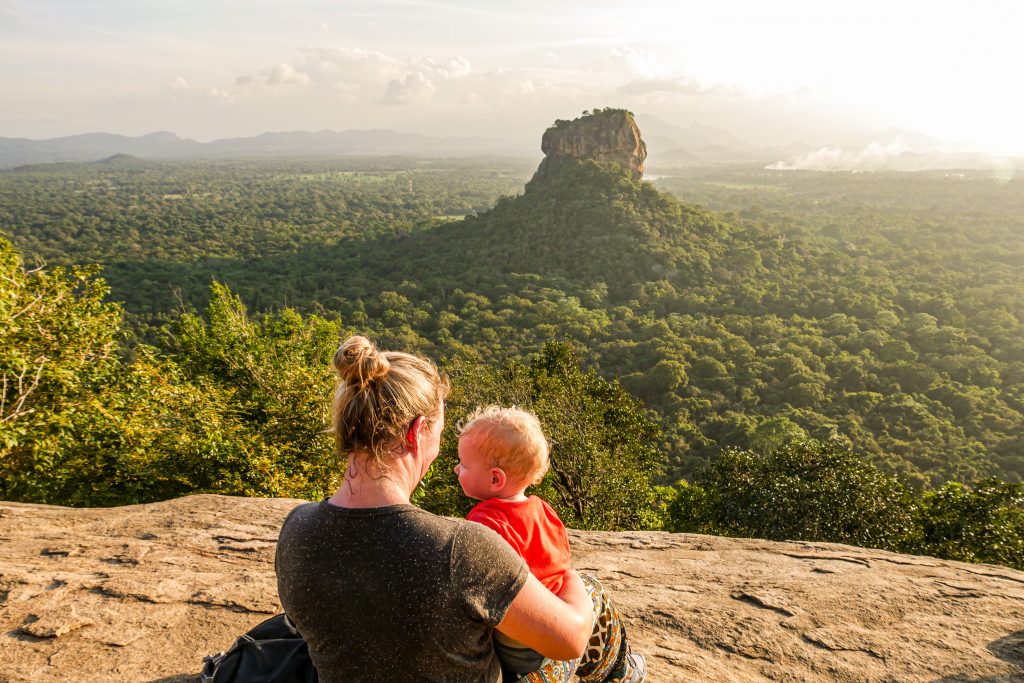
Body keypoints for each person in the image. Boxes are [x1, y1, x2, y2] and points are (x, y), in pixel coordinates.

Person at [275, 335, 645, 683]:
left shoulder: (297, 530)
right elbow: (570, 642)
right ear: (416, 432)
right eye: (439, 433)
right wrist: (575, 580)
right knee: (589, 592)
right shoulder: (462, 549)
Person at [456, 406, 646, 682]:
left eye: (463, 464)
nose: (456, 468)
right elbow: (561, 566)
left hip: (515, 649)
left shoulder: (485, 523)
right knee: (592, 590)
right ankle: (621, 673)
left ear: (495, 478)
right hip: (542, 643)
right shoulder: (543, 510)